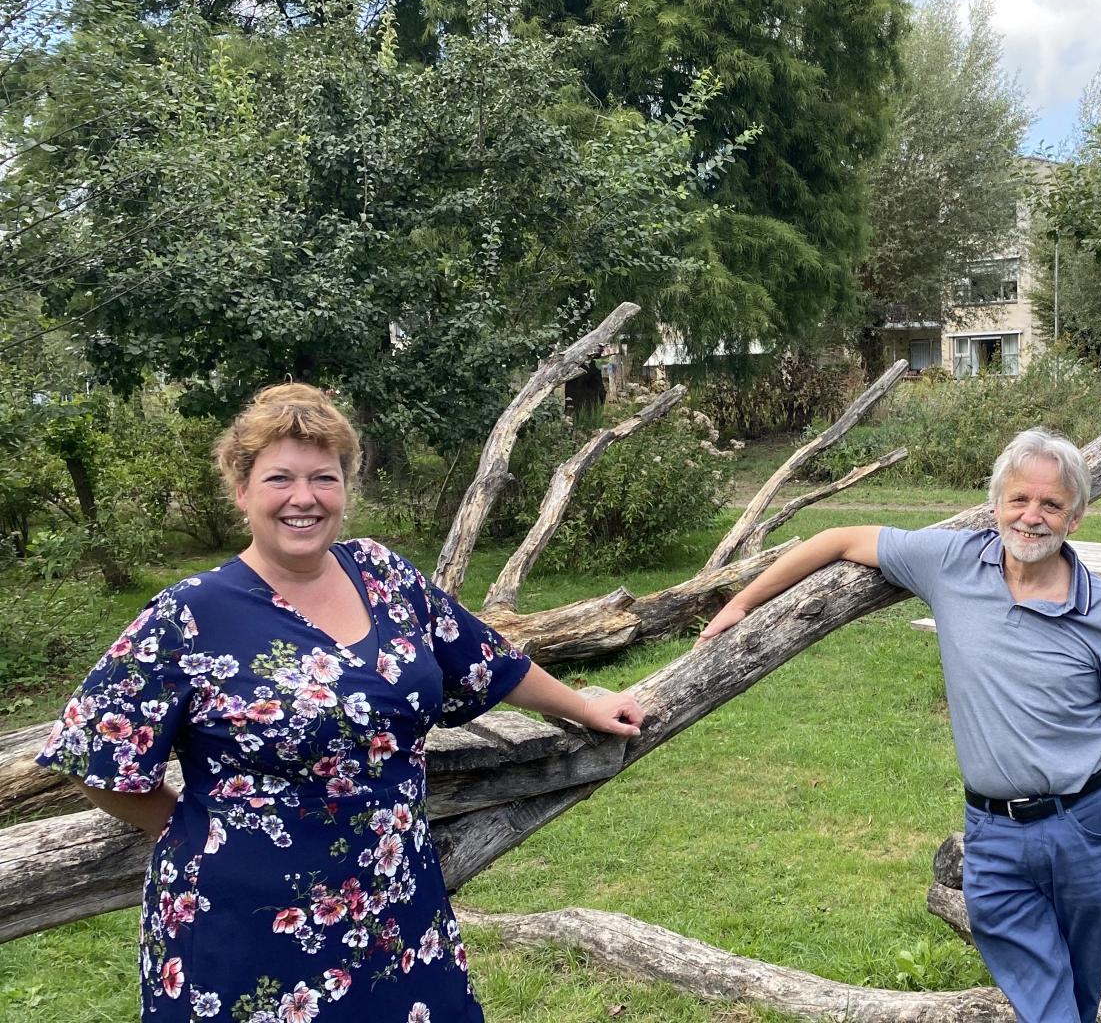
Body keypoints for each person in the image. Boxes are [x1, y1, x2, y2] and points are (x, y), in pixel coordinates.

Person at [35, 383, 645, 1022]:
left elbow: (486, 658)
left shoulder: (384, 575)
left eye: (323, 478)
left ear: (346, 489)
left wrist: (583, 707)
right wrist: (195, 831)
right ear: (241, 491)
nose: (304, 498)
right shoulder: (190, 616)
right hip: (243, 930)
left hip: (397, 907)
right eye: (279, 479)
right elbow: (96, 755)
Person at [701, 428, 1101, 1022]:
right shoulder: (952, 563)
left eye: (1051, 505)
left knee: (1079, 997)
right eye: (1019, 500)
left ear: (1076, 518)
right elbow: (838, 538)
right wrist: (740, 603)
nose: (1032, 517)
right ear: (995, 505)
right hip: (993, 836)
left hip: (1084, 829)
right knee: (1053, 1007)